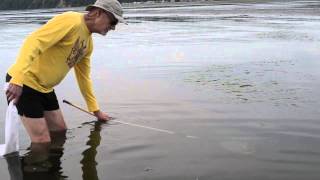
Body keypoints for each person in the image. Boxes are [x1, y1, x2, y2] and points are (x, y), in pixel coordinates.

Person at [4, 0, 126, 144]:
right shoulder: (71, 20)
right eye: (113, 22)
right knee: (42, 140)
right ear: (99, 13)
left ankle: (54, 167)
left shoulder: (88, 44)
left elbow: (84, 78)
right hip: (24, 83)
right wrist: (17, 79)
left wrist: (96, 111)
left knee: (60, 132)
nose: (113, 28)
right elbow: (33, 41)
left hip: (45, 89)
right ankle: (33, 166)